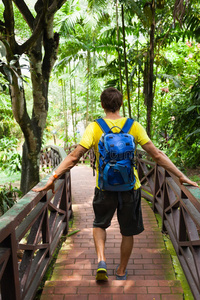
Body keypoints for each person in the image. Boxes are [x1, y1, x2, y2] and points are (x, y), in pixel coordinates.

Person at [33, 87, 199, 281]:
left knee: (99, 225)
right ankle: (121, 270)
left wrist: (53, 177)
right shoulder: (133, 126)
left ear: (102, 105)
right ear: (120, 105)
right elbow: (157, 155)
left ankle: (101, 261)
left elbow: (73, 157)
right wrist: (180, 176)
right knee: (128, 231)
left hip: (104, 188)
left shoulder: (95, 127)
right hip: (131, 188)